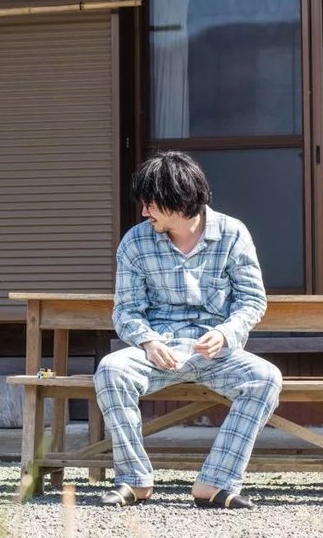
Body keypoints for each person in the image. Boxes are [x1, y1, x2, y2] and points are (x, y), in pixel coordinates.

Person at [94, 151, 282, 509]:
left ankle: (215, 483)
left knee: (265, 378)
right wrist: (148, 341)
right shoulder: (135, 242)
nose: (144, 212)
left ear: (177, 200)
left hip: (215, 351)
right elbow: (127, 311)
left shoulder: (232, 234)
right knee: (111, 370)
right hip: (159, 350)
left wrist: (225, 333)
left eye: (150, 204)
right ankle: (134, 480)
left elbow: (252, 301)